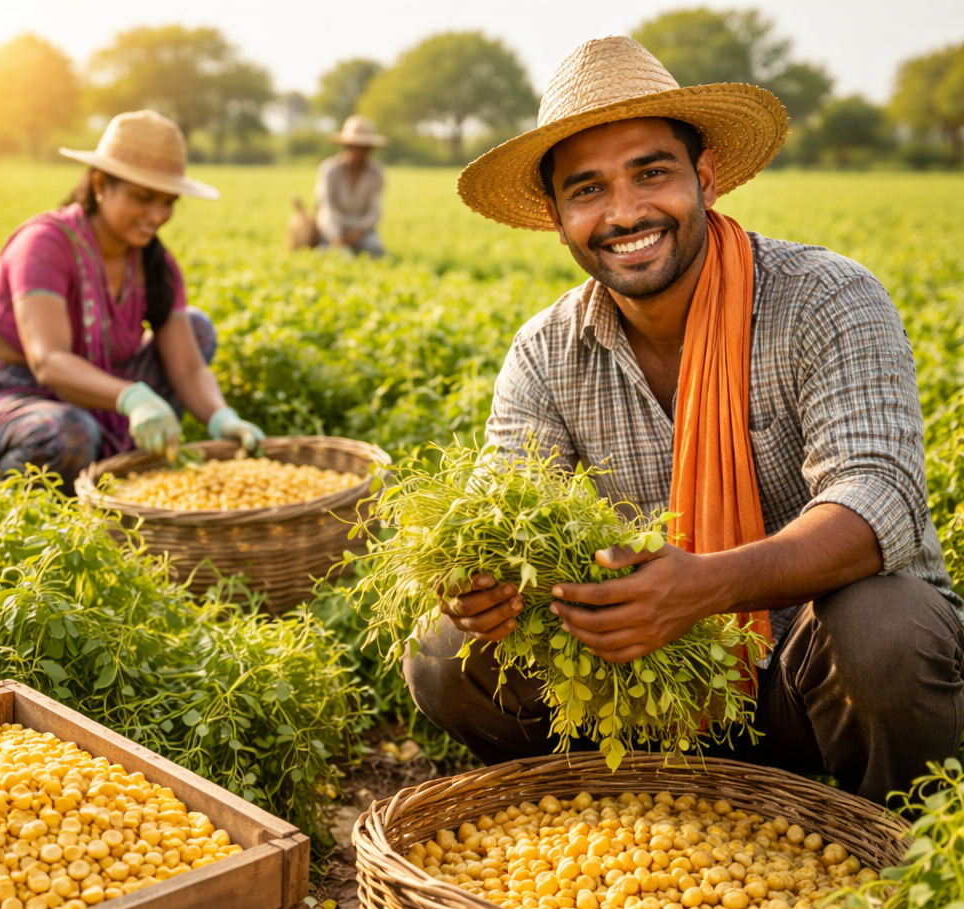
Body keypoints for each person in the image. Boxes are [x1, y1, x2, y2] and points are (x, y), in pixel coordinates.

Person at [403, 36, 964, 806]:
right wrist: (482, 587)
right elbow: (504, 503)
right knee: (444, 653)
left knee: (885, 628)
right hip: (647, 685)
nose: (625, 212)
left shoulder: (826, 299)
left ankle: (899, 852)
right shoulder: (545, 353)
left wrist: (705, 586)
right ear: (557, 216)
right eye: (588, 189)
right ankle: (620, 797)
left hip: (810, 676)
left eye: (652, 173)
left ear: (702, 178)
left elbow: (878, 501)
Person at [0, 109, 263, 492]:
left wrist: (221, 417)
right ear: (100, 184)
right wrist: (130, 396)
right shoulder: (44, 245)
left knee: (196, 329)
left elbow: (188, 368)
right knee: (67, 433)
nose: (156, 215)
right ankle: (8, 497)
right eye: (142, 197)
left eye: (167, 202)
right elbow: (49, 361)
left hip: (87, 387)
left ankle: (117, 471)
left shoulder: (155, 264)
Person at [315, 115, 388, 256]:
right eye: (356, 147)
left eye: (364, 147)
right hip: (334, 226)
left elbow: (374, 212)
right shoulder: (330, 169)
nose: (359, 152)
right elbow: (326, 208)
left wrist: (357, 233)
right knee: (328, 254)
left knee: (376, 250)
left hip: (361, 230)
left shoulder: (377, 174)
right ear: (347, 146)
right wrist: (335, 236)